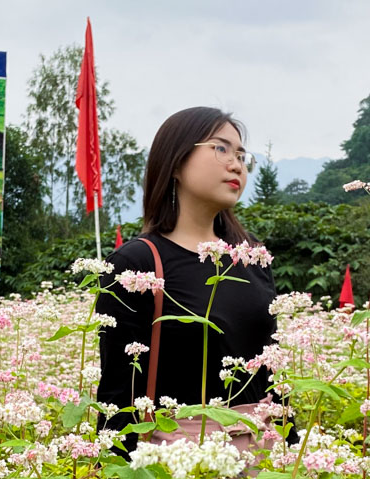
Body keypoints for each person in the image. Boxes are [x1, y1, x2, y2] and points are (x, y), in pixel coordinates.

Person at [95, 106, 297, 455]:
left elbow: (273, 373)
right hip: (177, 466)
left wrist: (295, 456)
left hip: (263, 461)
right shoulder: (136, 264)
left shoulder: (252, 258)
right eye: (220, 148)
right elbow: (118, 392)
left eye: (241, 155)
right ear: (176, 161)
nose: (236, 164)